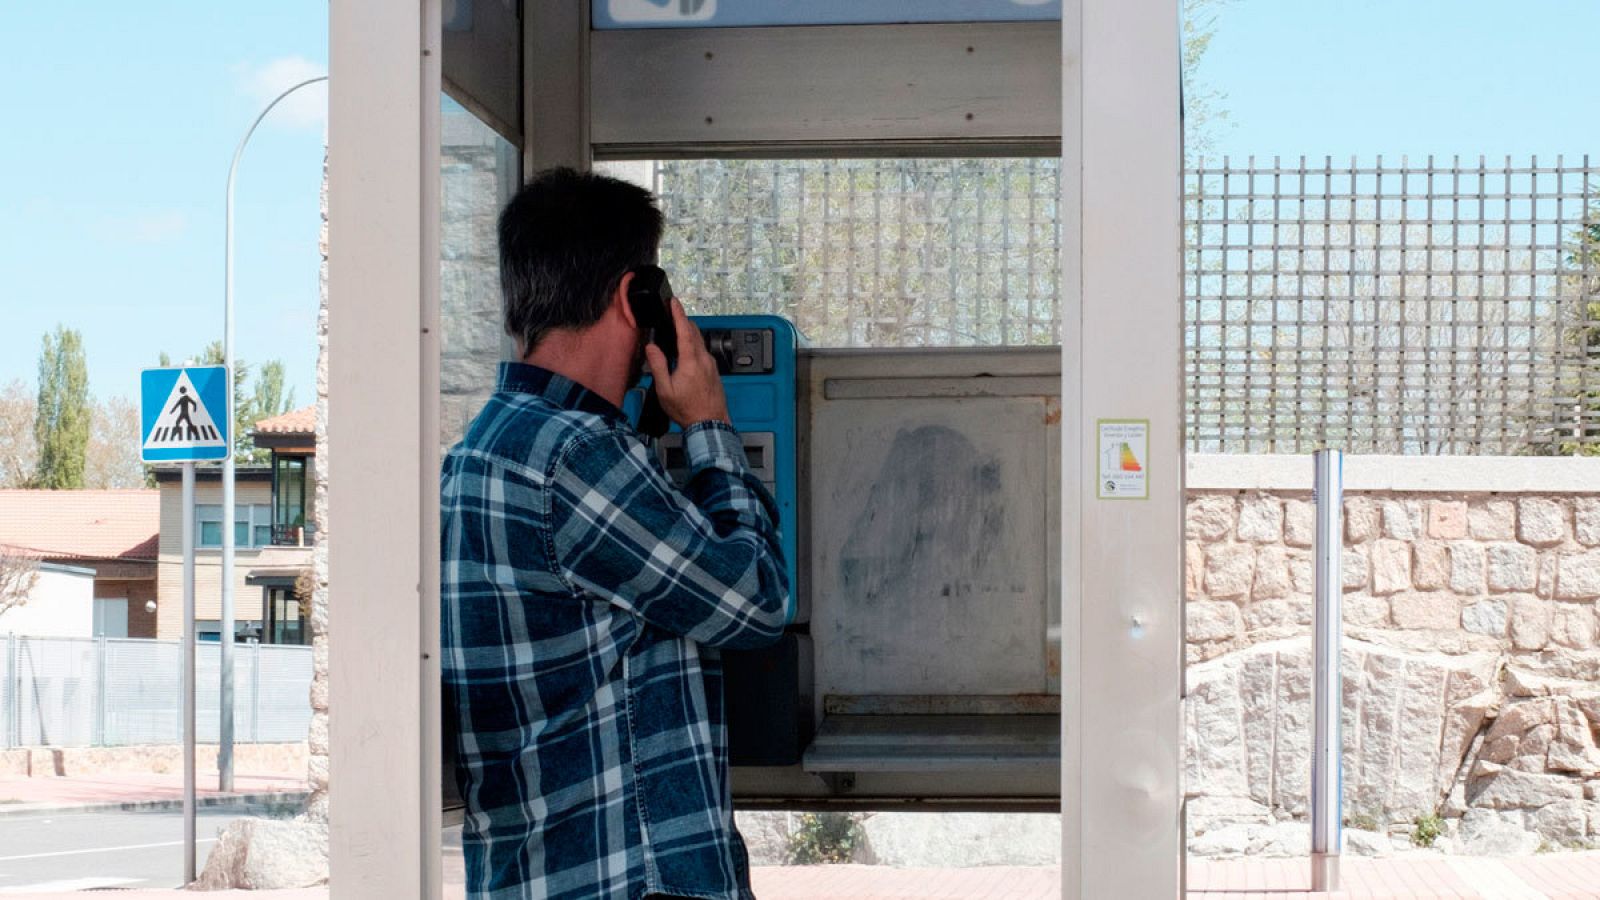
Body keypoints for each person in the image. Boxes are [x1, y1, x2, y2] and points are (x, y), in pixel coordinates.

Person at [441, 167, 789, 900]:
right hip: (626, 879)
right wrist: (710, 428)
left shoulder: (478, 451)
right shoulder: (578, 457)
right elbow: (757, 598)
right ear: (639, 297)